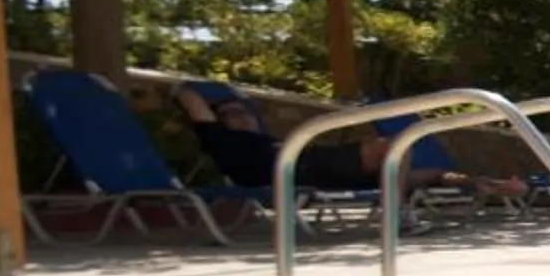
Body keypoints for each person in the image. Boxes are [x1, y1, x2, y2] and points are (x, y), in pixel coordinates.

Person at [174, 86, 519, 199]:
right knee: (393, 145)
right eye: (234, 113)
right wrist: (182, 89)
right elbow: (191, 100)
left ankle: (482, 185)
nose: (245, 116)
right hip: (298, 168)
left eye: (245, 112)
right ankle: (395, 217)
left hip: (315, 170)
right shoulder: (220, 138)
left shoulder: (260, 137)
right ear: (217, 120)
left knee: (429, 172)